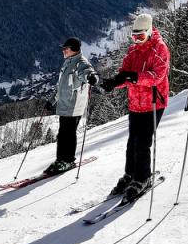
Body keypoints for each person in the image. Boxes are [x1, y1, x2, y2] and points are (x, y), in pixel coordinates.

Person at [102, 13, 170, 201]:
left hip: (154, 103)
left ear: (149, 32)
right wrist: (114, 82)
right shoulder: (133, 52)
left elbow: (157, 77)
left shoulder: (160, 49)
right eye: (134, 37)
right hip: (136, 103)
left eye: (140, 36)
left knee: (142, 143)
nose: (137, 40)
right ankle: (130, 174)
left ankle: (142, 178)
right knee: (132, 142)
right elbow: (125, 74)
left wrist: (134, 77)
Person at [42, 37, 98, 175]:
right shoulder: (68, 63)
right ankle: (61, 160)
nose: (63, 51)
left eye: (65, 48)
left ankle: (67, 160)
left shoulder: (80, 63)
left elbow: (87, 72)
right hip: (65, 105)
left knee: (68, 134)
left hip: (74, 106)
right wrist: (52, 100)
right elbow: (61, 87)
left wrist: (92, 77)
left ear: (73, 49)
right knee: (63, 134)